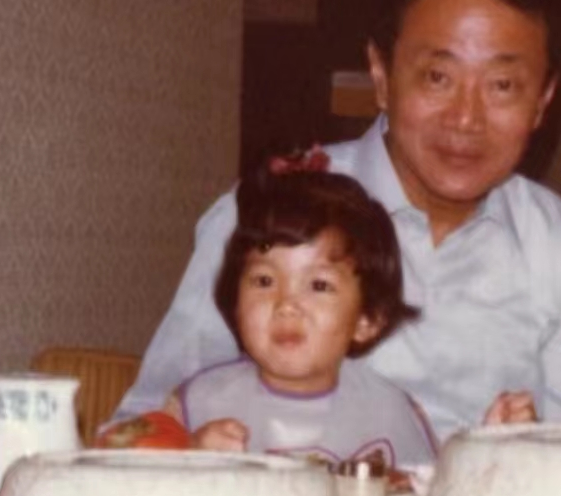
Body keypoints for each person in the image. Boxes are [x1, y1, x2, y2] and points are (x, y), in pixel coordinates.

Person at [114, 0, 561, 442]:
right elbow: (141, 431)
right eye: (438, 77)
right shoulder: (271, 210)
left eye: (501, 85)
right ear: (381, 76)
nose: (465, 118)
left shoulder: (558, 248)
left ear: (542, 100)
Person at [164, 164, 436, 467]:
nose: (286, 305)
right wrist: (189, 457)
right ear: (236, 302)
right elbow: (137, 476)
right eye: (264, 281)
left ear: (367, 320)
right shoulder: (199, 404)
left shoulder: (388, 413)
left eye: (318, 285)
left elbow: (431, 491)